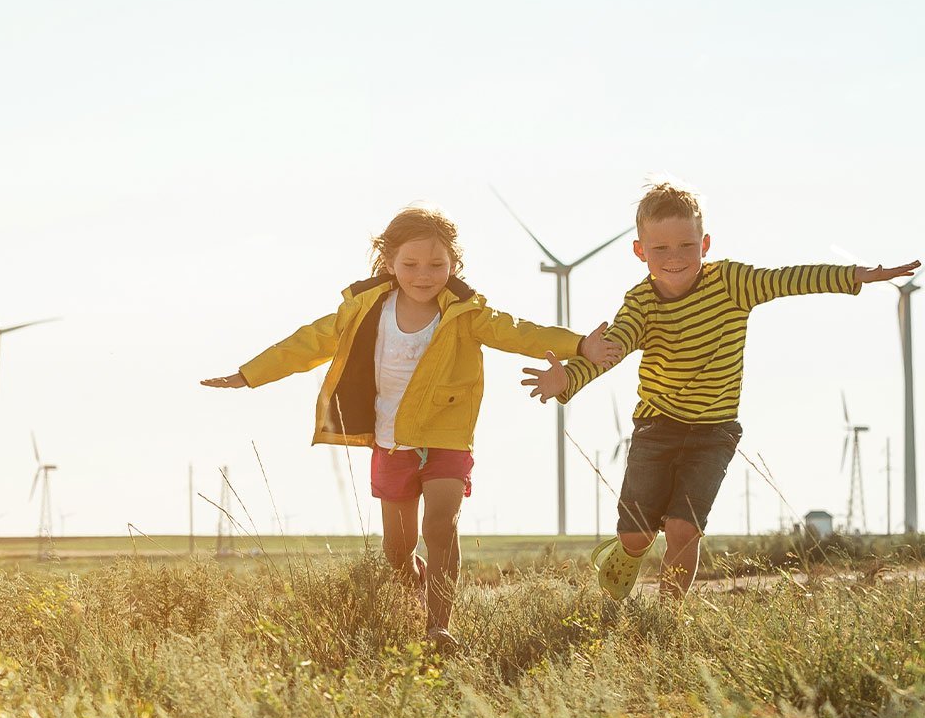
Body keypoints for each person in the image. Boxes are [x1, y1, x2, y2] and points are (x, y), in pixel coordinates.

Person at [202, 204, 621, 652]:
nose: (425, 275)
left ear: (454, 265)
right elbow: (306, 342)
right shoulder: (364, 309)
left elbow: (519, 332)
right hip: (391, 441)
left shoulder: (466, 313)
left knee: (440, 527)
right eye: (412, 265)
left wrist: (578, 344)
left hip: (446, 437)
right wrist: (250, 374)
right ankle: (419, 589)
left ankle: (439, 625)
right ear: (389, 264)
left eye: (437, 265)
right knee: (397, 552)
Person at [522, 180, 920, 600]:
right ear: (640, 251)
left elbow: (789, 280)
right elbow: (612, 348)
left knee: (683, 528)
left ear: (705, 243)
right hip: (656, 426)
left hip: (714, 431)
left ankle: (669, 612)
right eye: (660, 249)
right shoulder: (641, 302)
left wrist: (854, 275)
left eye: (686, 246)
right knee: (637, 535)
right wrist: (568, 378)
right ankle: (627, 550)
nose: (674, 258)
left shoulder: (732, 282)